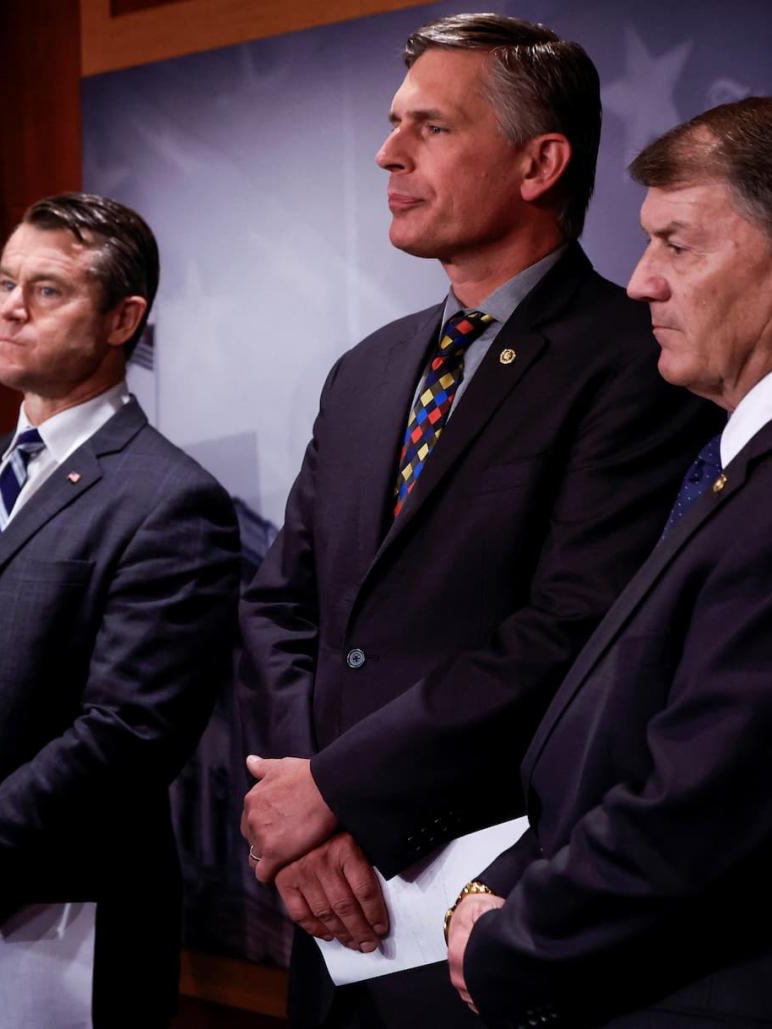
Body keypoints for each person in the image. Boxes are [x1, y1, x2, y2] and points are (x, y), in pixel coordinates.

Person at [237, 14, 719, 1027]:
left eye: (430, 127)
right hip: (326, 904)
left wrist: (340, 789)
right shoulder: (366, 370)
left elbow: (572, 630)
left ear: (541, 161)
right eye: (390, 123)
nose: (387, 153)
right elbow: (283, 606)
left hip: (487, 913)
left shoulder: (640, 364)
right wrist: (306, 807)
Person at [447, 96, 772, 1029]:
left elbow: (704, 798)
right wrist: (503, 879)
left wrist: (518, 936)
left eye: (678, 243)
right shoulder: (722, 468)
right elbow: (620, 730)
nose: (639, 283)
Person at [0, 193, 240, 1027]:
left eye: (47, 291)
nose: (10, 306)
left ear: (123, 318)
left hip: (59, 914)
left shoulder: (172, 498)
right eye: (8, 282)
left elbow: (127, 732)